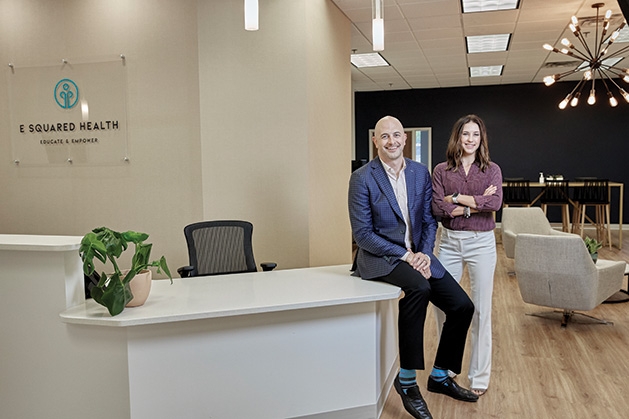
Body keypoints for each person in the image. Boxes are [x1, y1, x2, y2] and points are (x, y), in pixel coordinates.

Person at [348, 116, 478, 419]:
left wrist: (422, 252)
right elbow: (363, 234)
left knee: (462, 306)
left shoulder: (420, 173)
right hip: (381, 258)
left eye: (396, 136)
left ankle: (440, 376)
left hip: (419, 254)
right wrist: (407, 257)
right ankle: (406, 381)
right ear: (375, 141)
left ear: (405, 139)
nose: (391, 142)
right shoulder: (363, 177)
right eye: (385, 137)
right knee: (418, 288)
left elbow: (429, 220)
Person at [431, 114, 503, 397]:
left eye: (475, 134)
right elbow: (437, 208)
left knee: (482, 309)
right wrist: (475, 203)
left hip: (481, 243)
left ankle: (479, 376)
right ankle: (445, 369)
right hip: (447, 242)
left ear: (481, 138)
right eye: (465, 134)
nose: (470, 139)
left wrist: (456, 199)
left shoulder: (492, 169)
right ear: (457, 138)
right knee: (443, 307)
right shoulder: (441, 170)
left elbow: (495, 202)